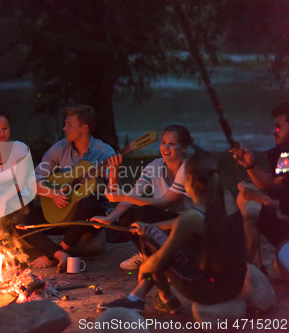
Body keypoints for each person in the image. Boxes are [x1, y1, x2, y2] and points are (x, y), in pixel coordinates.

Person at [98, 153, 246, 313]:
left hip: (208, 290)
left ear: (189, 181)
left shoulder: (192, 217)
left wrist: (145, 268)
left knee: (149, 238)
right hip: (234, 285)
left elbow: (161, 259)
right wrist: (158, 225)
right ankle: (142, 297)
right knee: (152, 230)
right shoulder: (227, 200)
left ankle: (161, 297)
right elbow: (193, 222)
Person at [16, 105, 122, 273]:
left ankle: (55, 253)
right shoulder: (59, 148)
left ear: (84, 128)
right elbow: (33, 179)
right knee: (20, 221)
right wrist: (53, 194)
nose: (64, 128)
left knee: (87, 204)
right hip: (62, 211)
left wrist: (114, 172)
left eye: (69, 124)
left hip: (86, 218)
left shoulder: (105, 152)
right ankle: (59, 254)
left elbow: (114, 195)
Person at [91, 125, 193, 270]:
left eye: (172, 144)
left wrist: (124, 195)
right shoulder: (154, 166)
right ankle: (147, 255)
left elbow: (165, 202)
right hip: (163, 220)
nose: (165, 147)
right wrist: (109, 218)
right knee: (127, 216)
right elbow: (130, 197)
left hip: (187, 224)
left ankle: (168, 258)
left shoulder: (187, 168)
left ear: (184, 148)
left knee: (144, 213)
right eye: (163, 142)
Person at [231, 101, 289, 272]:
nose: (274, 131)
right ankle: (254, 269)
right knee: (246, 203)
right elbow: (273, 183)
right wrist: (250, 165)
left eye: (278, 127)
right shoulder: (285, 154)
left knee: (280, 267)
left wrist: (259, 197)